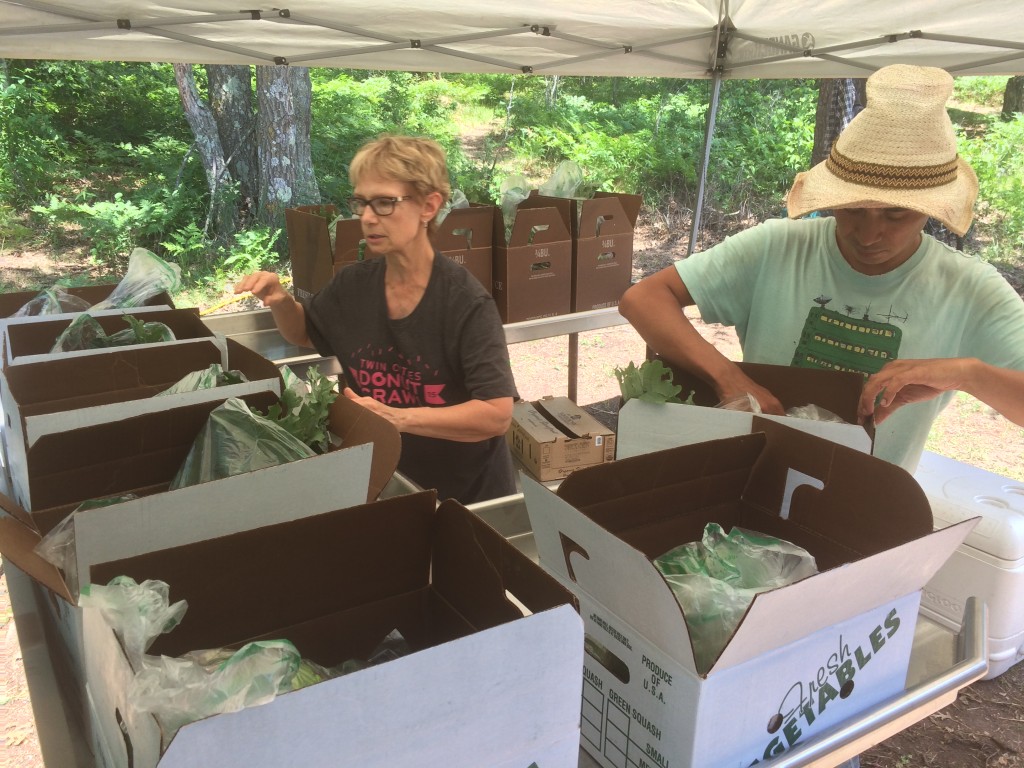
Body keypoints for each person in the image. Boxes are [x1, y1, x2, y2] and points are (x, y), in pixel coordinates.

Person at [619, 63, 1024, 474]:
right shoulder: (778, 247)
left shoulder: (969, 289)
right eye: (851, 210)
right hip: (753, 479)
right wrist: (728, 377)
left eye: (895, 216)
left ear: (930, 211)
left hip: (868, 504)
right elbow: (644, 298)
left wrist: (967, 374)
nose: (867, 235)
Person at [235, 134, 518, 505]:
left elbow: (495, 415)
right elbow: (305, 333)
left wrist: (396, 418)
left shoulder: (465, 303)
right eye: (362, 202)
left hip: (465, 500)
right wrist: (279, 300)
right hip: (384, 482)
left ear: (429, 206)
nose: (367, 217)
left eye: (385, 203)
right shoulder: (353, 284)